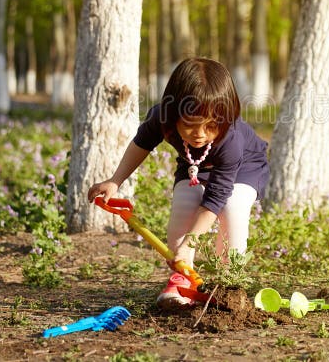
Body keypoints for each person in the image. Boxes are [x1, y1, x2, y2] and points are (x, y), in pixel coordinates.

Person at [87, 57, 269, 308]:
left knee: (232, 207)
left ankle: (230, 283)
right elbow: (141, 144)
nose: (201, 134)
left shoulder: (231, 140)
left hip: (244, 168)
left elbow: (216, 198)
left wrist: (190, 241)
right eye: (191, 126)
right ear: (174, 116)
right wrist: (115, 181)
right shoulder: (162, 118)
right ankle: (182, 280)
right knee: (185, 203)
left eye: (211, 126)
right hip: (194, 165)